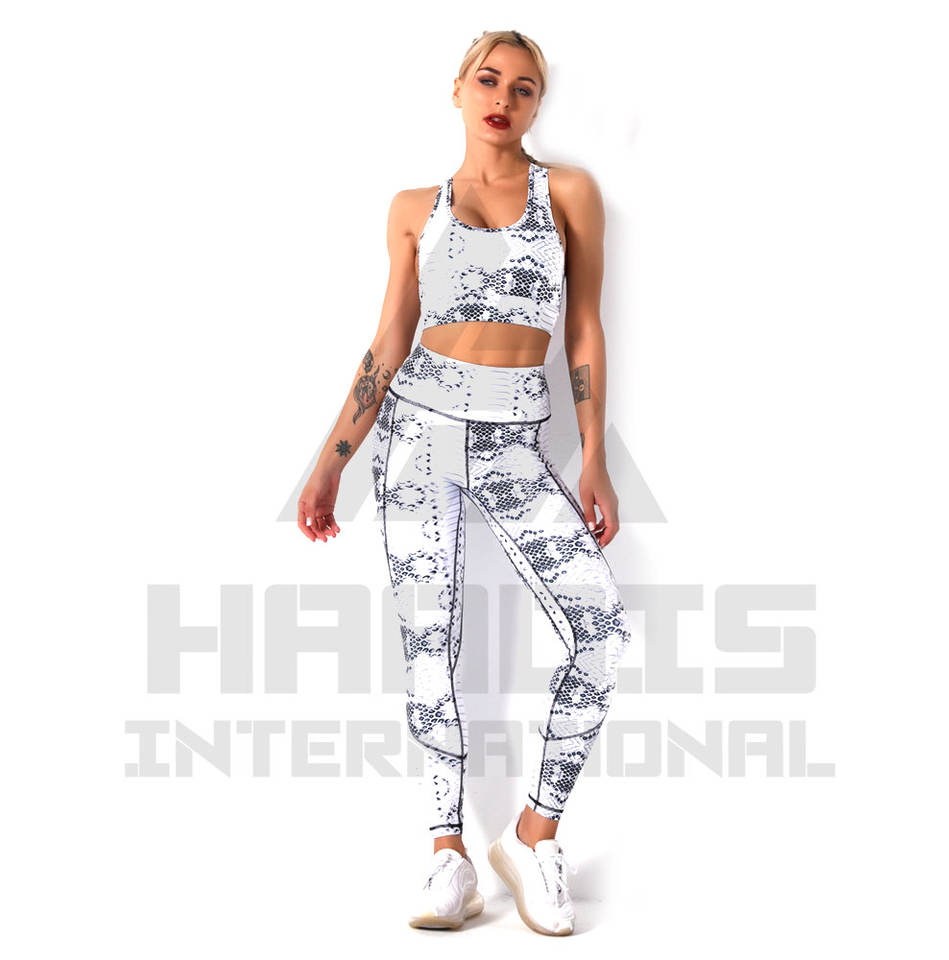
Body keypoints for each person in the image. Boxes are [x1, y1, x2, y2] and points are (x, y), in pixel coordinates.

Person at [297, 29, 632, 936]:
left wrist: (592, 454)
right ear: (457, 89)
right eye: (489, 80)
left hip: (517, 440)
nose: (504, 99)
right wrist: (331, 463)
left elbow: (584, 327)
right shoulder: (416, 208)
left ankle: (532, 834)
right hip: (417, 437)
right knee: (429, 643)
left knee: (600, 629)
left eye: (524, 88)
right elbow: (388, 342)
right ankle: (447, 854)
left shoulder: (567, 193)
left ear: (538, 105)